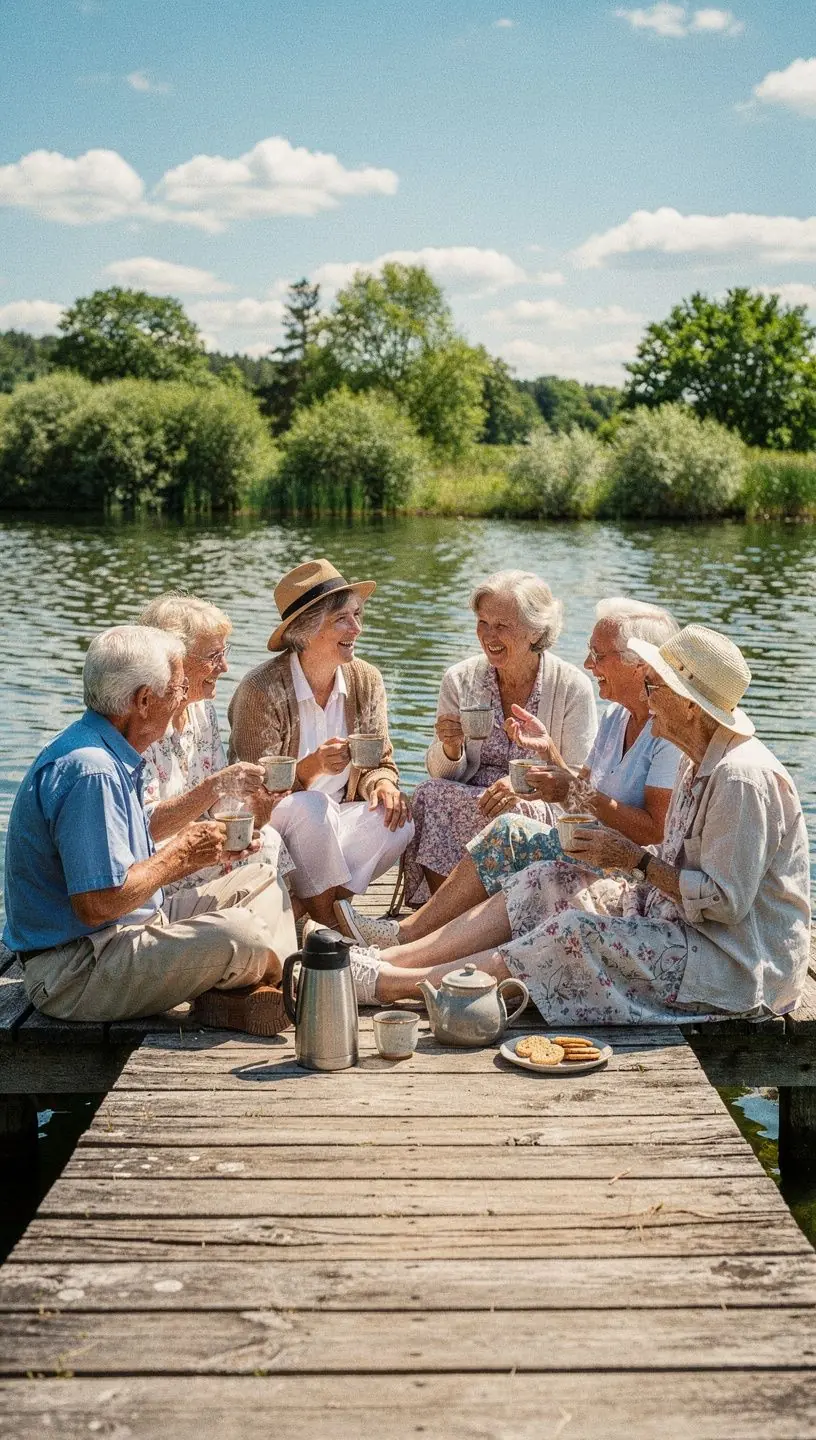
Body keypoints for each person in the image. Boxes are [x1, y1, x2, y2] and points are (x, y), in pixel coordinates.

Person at [346, 625, 811, 1025]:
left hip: (733, 964)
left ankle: (392, 984)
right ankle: (388, 958)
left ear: (690, 707)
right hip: (676, 919)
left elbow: (723, 904)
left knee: (572, 933)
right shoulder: (698, 761)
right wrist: (627, 864)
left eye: (656, 687)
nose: (648, 699)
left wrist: (633, 862)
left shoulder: (742, 779)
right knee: (548, 879)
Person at [3, 625, 297, 1035]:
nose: (183, 698)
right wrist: (181, 857)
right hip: (75, 971)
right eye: (177, 689)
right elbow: (98, 905)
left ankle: (244, 993)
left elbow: (137, 835)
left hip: (130, 929)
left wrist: (206, 839)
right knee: (242, 933)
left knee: (262, 878)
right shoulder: (93, 772)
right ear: (144, 700)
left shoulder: (105, 748)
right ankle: (261, 989)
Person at [337, 597, 680, 947]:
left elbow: (655, 830)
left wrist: (566, 789)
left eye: (598, 655)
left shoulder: (667, 733)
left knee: (512, 825)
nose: (588, 663)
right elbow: (581, 794)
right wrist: (548, 751)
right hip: (589, 845)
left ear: (639, 665)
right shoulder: (616, 717)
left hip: (624, 866)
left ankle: (412, 937)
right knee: (507, 831)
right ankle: (421, 934)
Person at [228, 559, 414, 926]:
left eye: (358, 615)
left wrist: (384, 784)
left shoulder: (366, 680)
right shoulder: (260, 689)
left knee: (398, 820)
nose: (356, 628)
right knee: (314, 809)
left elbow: (381, 761)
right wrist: (312, 767)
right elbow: (252, 795)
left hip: (337, 820)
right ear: (308, 630)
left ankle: (306, 909)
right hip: (277, 824)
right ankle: (336, 924)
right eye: (342, 619)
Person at [401, 570, 596, 907]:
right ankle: (443, 912)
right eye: (482, 622)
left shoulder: (571, 687)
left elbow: (579, 779)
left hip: (539, 802)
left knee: (515, 810)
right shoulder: (459, 679)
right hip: (474, 796)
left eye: (502, 626)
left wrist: (523, 787)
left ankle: (507, 909)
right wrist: (450, 747)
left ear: (535, 631)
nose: (488, 635)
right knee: (429, 794)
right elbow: (441, 775)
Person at [137, 592, 295, 899]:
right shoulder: (143, 724)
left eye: (224, 653)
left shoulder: (200, 711)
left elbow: (218, 805)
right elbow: (147, 826)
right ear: (174, 661)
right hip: (158, 861)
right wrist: (217, 785)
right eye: (213, 657)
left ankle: (265, 936)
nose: (224, 667)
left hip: (200, 840)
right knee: (261, 852)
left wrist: (257, 805)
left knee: (267, 838)